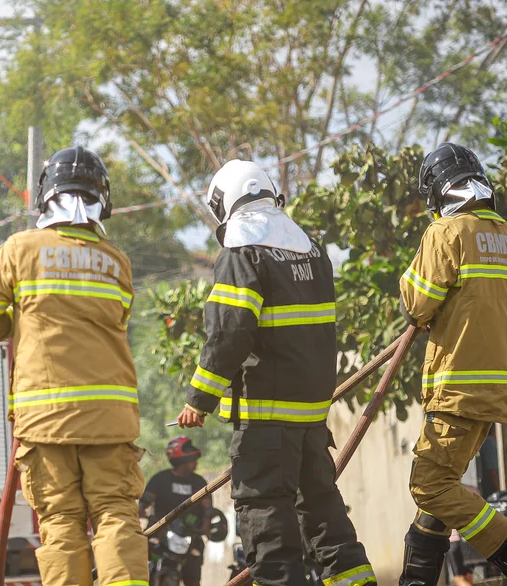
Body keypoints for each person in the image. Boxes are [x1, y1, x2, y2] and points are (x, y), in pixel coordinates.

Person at [177, 160, 376, 586]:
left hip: (266, 423)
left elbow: (230, 333)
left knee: (266, 518)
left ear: (222, 205)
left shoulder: (243, 254)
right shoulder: (312, 250)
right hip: (309, 419)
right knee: (324, 514)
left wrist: (198, 399)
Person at [0, 145, 146, 586]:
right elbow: (114, 322)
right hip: (111, 419)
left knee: (61, 521)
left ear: (45, 196)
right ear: (102, 198)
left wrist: (19, 319)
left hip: (47, 420)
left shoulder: (20, 250)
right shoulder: (116, 262)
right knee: (116, 512)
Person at [397, 142, 507, 585]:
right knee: (443, 489)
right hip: (494, 389)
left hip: (458, 388)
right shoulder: (502, 233)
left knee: (430, 486)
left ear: (438, 192)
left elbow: (416, 303)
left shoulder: (446, 232)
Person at [141, 436, 211, 586]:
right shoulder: (160, 479)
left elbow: (208, 509)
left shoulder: (199, 482)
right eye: (193, 460)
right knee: (146, 567)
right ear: (183, 461)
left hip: (191, 538)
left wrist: (205, 526)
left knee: (193, 579)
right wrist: (139, 511)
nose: (196, 463)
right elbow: (145, 502)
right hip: (161, 538)